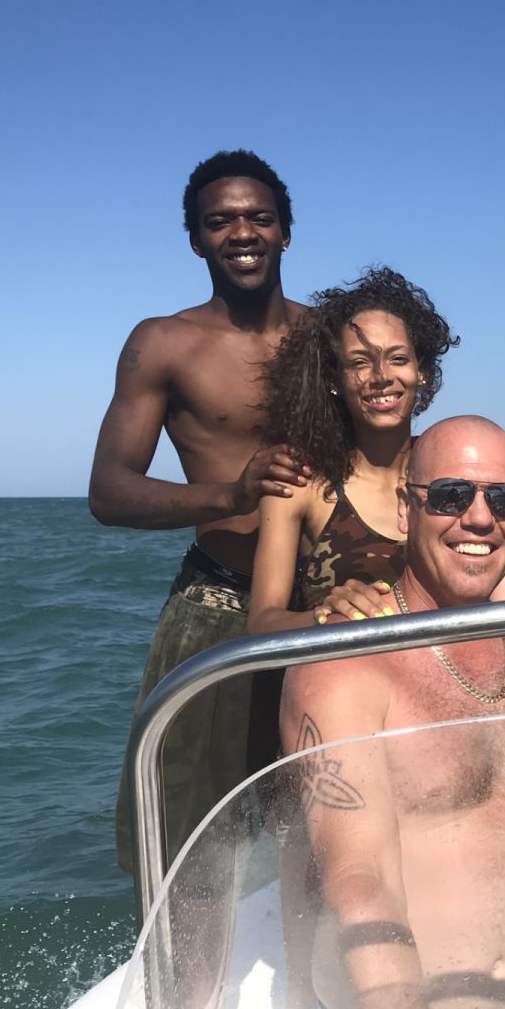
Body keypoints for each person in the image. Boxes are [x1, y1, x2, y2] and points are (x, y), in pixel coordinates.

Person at [279, 416, 505, 1009]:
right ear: (407, 509)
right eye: (453, 496)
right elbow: (360, 881)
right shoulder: (342, 662)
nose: (481, 519)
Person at [89, 149, 311, 872]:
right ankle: (185, 985)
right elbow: (110, 491)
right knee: (189, 840)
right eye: (221, 221)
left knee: (330, 820)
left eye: (258, 218)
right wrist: (229, 494)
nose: (241, 233)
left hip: (326, 606)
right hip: (217, 606)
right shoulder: (164, 342)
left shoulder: (331, 338)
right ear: (195, 238)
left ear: (286, 230)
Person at [247, 267, 458, 635]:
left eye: (398, 358)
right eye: (360, 362)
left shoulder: (451, 471)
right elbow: (262, 624)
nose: (381, 376)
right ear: (333, 379)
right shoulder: (300, 483)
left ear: (421, 371)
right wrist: (326, 616)